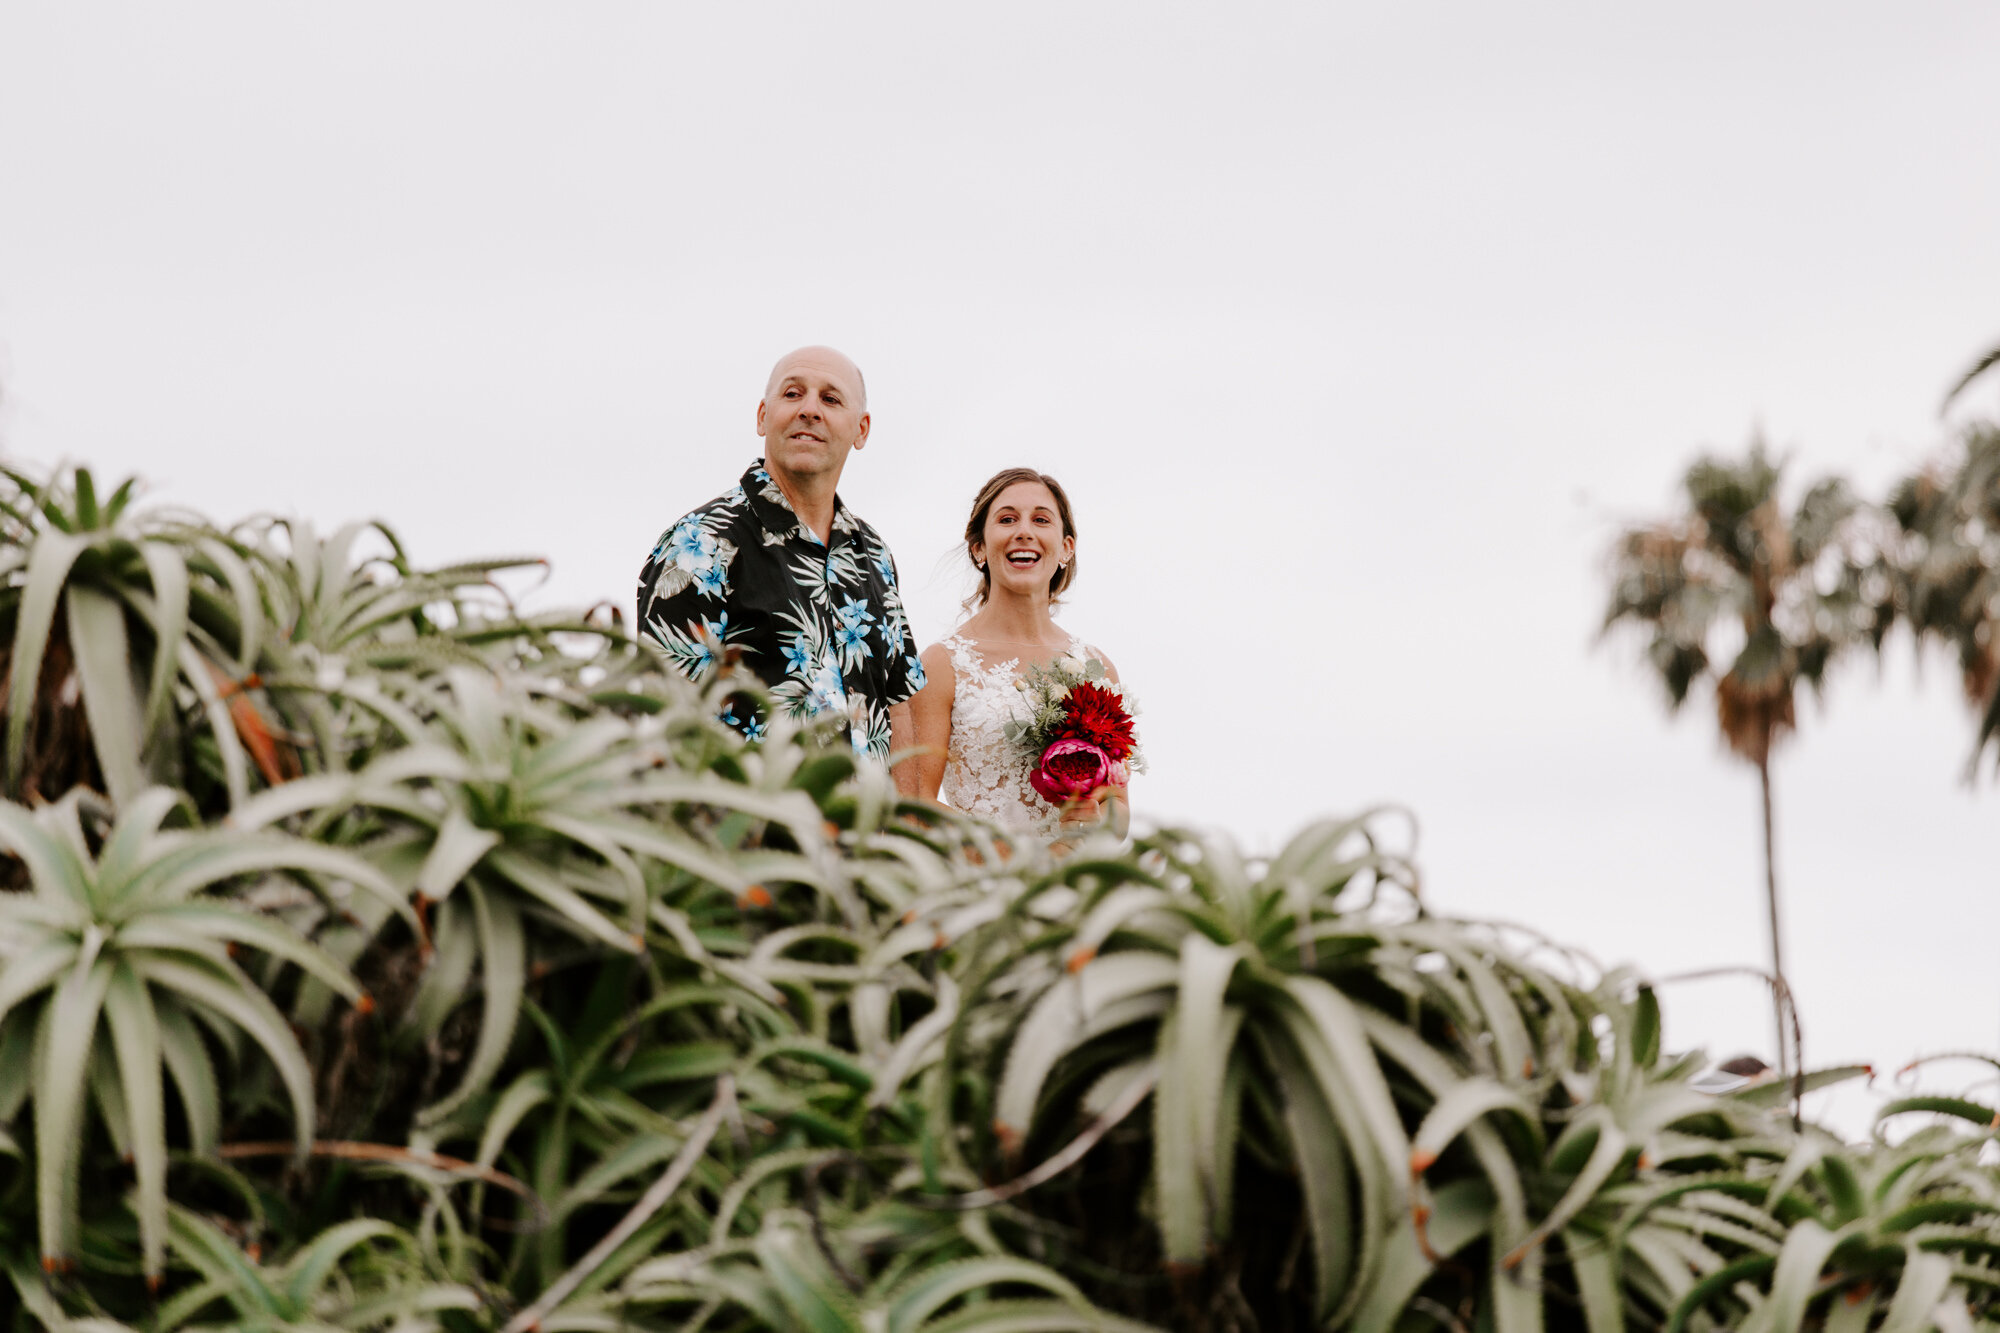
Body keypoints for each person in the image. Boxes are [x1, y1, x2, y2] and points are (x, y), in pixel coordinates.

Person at [635, 346, 925, 785]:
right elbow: (666, 719)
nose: (810, 409)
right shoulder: (700, 543)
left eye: (830, 399)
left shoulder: (875, 554)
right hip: (754, 843)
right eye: (793, 394)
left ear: (861, 430)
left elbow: (899, 703)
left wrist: (907, 835)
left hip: (868, 845)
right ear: (762, 416)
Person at [909, 468, 1129, 832]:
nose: (1024, 531)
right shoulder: (942, 663)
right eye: (1007, 519)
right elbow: (917, 802)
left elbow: (1118, 804)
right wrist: (1012, 857)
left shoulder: (1095, 666)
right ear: (979, 547)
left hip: (1074, 880)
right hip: (984, 876)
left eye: (1041, 519)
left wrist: (1096, 826)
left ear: (1066, 548)